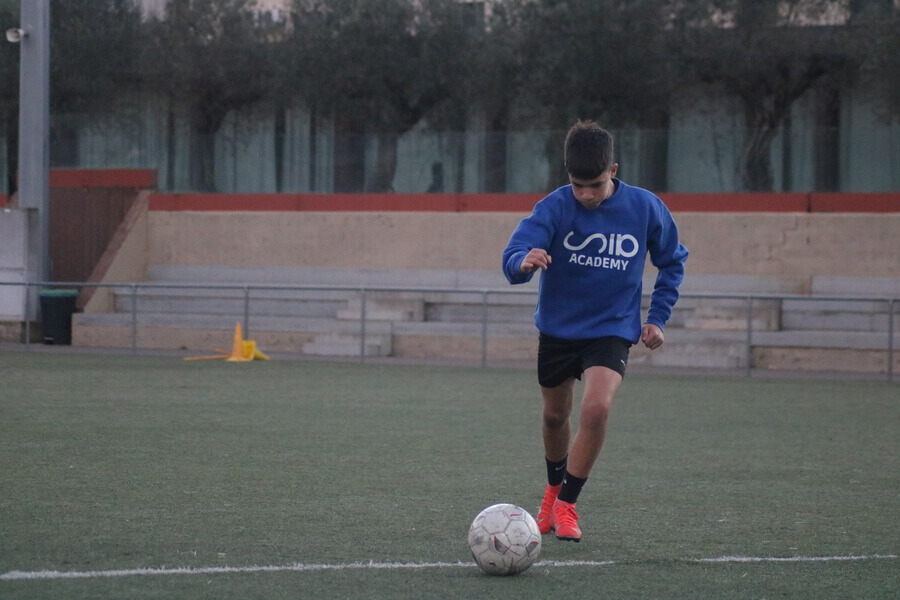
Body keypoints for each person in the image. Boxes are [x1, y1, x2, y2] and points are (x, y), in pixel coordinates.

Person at [501, 120, 688, 542]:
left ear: (614, 170)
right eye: (577, 184)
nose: (585, 194)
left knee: (597, 408)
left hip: (611, 328)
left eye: (596, 185)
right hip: (559, 329)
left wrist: (657, 317)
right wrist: (523, 262)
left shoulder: (645, 208)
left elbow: (672, 261)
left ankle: (567, 504)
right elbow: (513, 254)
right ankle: (551, 492)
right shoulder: (553, 207)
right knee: (554, 415)